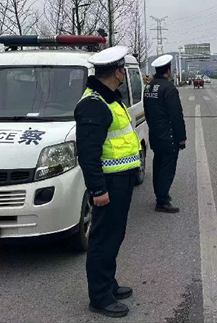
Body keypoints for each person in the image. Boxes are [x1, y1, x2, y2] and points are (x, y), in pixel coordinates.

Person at [74, 45, 141, 318]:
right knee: (103, 239)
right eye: (123, 69)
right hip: (108, 183)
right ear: (117, 73)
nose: (124, 73)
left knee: (114, 236)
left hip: (120, 180)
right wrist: (98, 189)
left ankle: (108, 284)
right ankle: (100, 297)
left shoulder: (110, 99)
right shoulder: (93, 104)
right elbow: (88, 153)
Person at [144, 54, 187, 213]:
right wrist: (181, 137)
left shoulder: (149, 87)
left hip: (155, 134)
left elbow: (147, 112)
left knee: (158, 164)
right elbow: (176, 115)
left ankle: (160, 195)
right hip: (169, 136)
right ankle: (162, 201)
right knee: (167, 168)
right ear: (168, 70)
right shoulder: (168, 88)